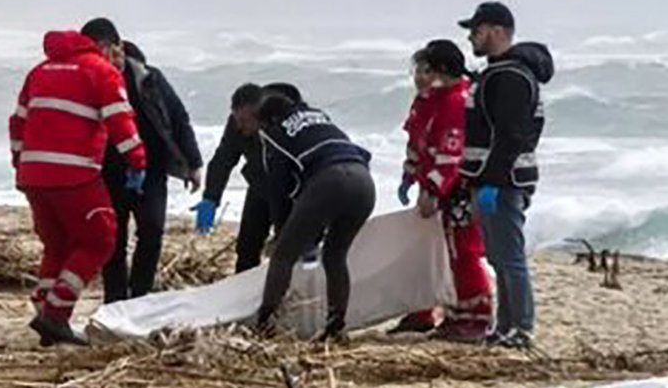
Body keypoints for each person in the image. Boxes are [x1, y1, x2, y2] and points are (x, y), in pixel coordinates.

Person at [8, 29, 147, 346]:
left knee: (57, 245)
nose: (118, 58)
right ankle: (56, 314)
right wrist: (138, 161)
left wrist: (20, 162)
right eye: (115, 50)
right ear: (104, 47)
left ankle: (45, 308)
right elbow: (120, 120)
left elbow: (17, 122)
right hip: (74, 174)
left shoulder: (39, 72)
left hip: (34, 174)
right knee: (101, 238)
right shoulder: (101, 71)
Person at [82, 19, 203, 302]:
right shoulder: (88, 81)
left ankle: (140, 297)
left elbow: (178, 116)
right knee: (113, 238)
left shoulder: (148, 78)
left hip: (151, 167)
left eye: (101, 51)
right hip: (108, 170)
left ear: (118, 47)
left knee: (151, 230)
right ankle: (114, 299)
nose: (98, 59)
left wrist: (194, 163)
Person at [458, 2, 554, 350]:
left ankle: (520, 328)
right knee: (498, 256)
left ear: (497, 31)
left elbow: (511, 135)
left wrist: (491, 183)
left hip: (504, 181)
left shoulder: (509, 76)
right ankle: (505, 326)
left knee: (509, 257)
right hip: (497, 178)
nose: (471, 36)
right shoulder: (498, 73)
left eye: (477, 29)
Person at [388, 40, 492, 341]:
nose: (419, 76)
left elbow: (452, 151)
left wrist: (434, 189)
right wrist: (409, 175)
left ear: (443, 71)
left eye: (426, 70)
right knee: (429, 249)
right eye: (417, 70)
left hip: (458, 188)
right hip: (432, 183)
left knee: (463, 250)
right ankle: (424, 310)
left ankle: (475, 316)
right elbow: (417, 140)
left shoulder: (457, 101)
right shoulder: (427, 99)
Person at [252, 90, 375, 340]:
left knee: (283, 256)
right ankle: (336, 324)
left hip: (330, 180)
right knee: (335, 255)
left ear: (268, 121)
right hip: (364, 181)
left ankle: (265, 322)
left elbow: (279, 189)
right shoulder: (319, 116)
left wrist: (281, 232)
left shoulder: (275, 133)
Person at [194, 82, 303, 273]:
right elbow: (223, 159)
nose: (239, 126)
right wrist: (210, 198)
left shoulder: (290, 120)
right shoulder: (238, 122)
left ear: (260, 115)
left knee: (288, 247)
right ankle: (242, 293)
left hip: (292, 192)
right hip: (260, 186)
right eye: (236, 119)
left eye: (244, 121)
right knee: (246, 248)